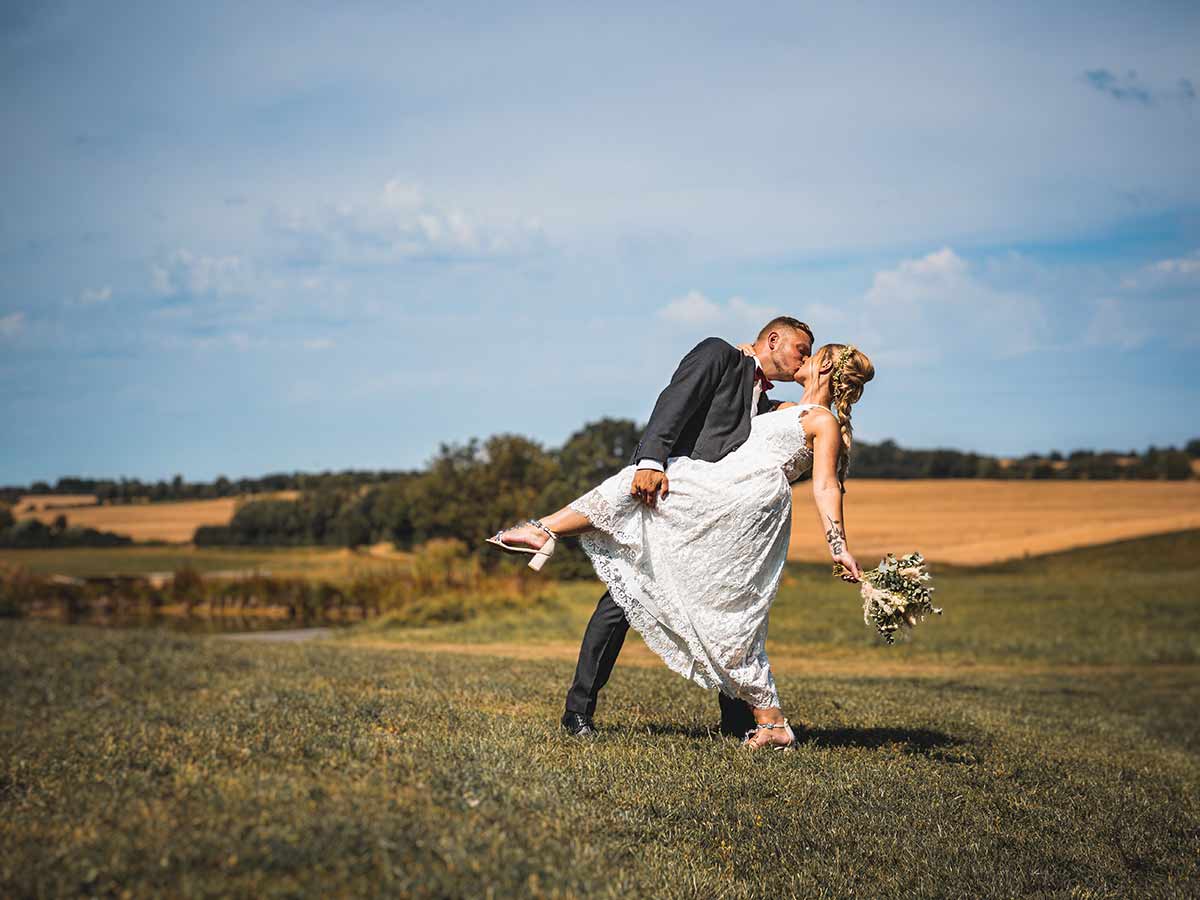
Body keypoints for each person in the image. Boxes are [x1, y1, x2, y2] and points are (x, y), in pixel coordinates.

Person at [490, 326, 876, 748]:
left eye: (810, 355)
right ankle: (578, 711)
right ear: (772, 341)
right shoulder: (724, 359)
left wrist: (838, 545)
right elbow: (672, 403)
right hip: (683, 497)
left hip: (726, 512)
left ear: (825, 368)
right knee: (624, 599)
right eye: (800, 350)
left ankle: (544, 529)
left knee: (726, 610)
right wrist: (650, 459)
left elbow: (820, 480)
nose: (802, 360)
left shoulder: (792, 412)